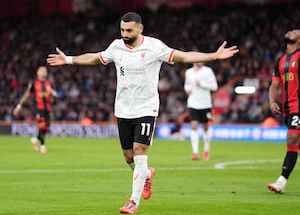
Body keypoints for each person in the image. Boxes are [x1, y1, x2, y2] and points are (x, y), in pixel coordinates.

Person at [47, 12, 238, 214]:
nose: (124, 33)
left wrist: (213, 56)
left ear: (140, 28)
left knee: (140, 151)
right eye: (122, 29)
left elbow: (184, 56)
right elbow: (95, 58)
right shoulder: (116, 46)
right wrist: (68, 59)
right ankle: (147, 175)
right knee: (128, 157)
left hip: (146, 108)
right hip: (123, 109)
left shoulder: (155, 47)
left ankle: (133, 201)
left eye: (129, 30)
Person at [267, 29, 300, 194]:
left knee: (292, 137)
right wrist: (272, 101)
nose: (291, 32)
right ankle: (281, 182)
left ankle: (281, 181)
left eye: (295, 32)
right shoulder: (281, 60)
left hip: (298, 106)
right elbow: (274, 85)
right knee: (295, 142)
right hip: (288, 108)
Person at [13, 66, 58, 154]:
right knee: (42, 126)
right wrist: (19, 106)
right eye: (41, 70)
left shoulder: (49, 83)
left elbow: (54, 95)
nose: (44, 71)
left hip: (48, 109)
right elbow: (27, 95)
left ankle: (35, 139)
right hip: (39, 109)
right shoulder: (34, 83)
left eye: (45, 70)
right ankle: (42, 146)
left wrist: (55, 95)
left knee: (46, 127)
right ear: (37, 73)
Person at [184, 62, 218, 161]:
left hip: (205, 104)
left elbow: (214, 87)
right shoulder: (188, 72)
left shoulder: (208, 71)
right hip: (193, 103)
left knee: (205, 127)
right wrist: (187, 89)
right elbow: (186, 85)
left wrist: (202, 84)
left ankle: (206, 150)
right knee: (193, 126)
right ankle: (195, 152)